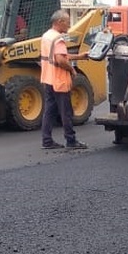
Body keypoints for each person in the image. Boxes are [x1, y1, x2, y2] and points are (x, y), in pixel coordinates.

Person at [39, 9, 89, 150]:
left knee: (49, 111)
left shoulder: (47, 36)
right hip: (59, 80)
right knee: (66, 112)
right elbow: (60, 60)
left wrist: (79, 56)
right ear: (59, 22)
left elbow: (56, 57)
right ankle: (71, 140)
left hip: (48, 79)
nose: (69, 25)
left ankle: (47, 141)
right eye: (67, 22)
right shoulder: (58, 39)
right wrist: (72, 69)